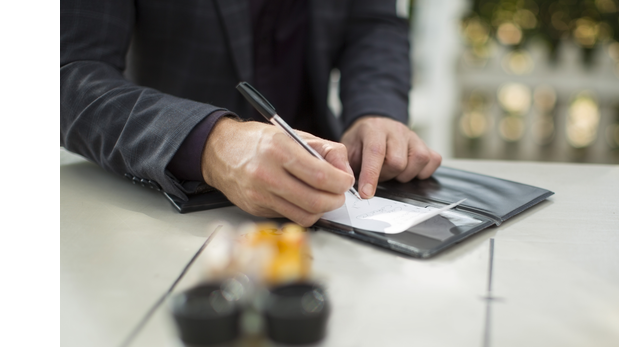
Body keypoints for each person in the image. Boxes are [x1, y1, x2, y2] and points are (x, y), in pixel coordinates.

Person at [60, 0, 442, 227]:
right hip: (172, 214)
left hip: (328, 198)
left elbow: (372, 22)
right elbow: (69, 73)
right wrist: (210, 143)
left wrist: (374, 110)